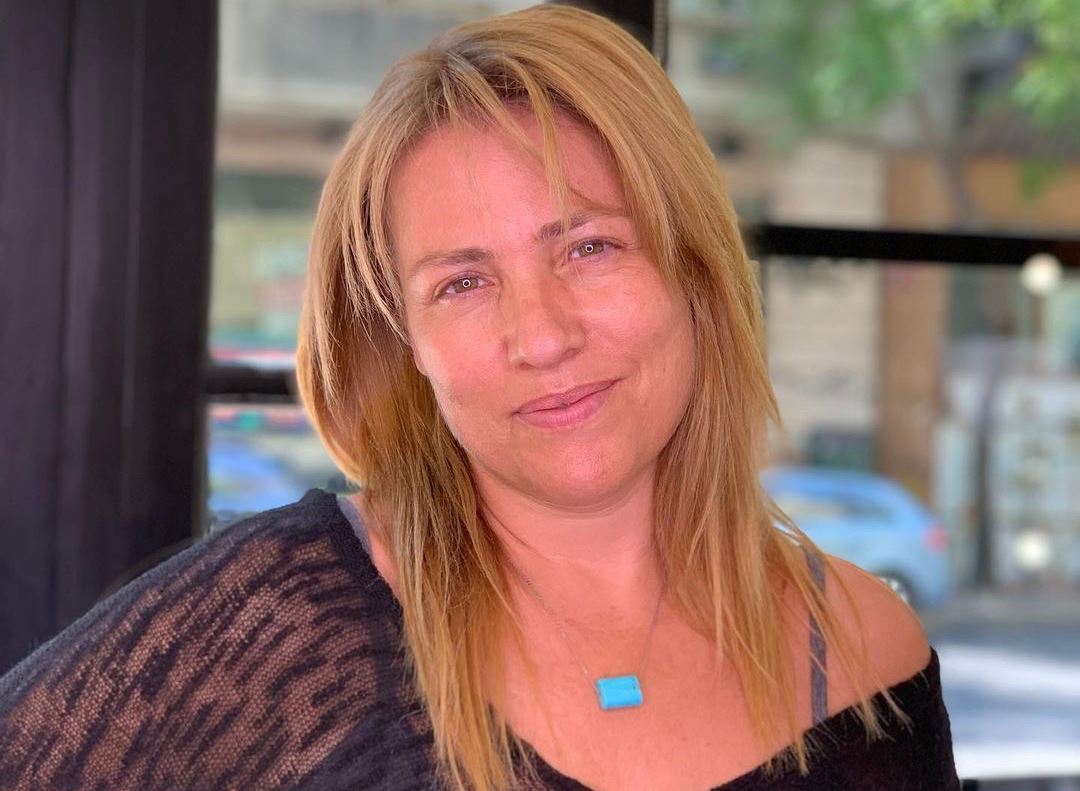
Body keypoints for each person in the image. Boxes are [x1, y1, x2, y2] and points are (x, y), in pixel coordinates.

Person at [0, 4, 961, 790]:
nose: (540, 336)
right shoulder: (281, 625)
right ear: (408, 344)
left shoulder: (867, 653)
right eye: (462, 282)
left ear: (694, 271)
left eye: (589, 246)